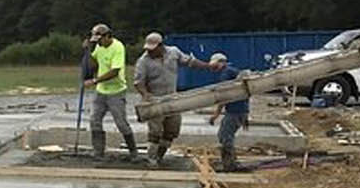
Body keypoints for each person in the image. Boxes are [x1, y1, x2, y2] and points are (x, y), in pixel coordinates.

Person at [132, 32, 225, 166]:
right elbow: (138, 83)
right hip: (155, 100)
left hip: (172, 98)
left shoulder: (173, 52)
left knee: (172, 130)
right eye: (148, 49)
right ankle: (151, 159)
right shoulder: (143, 61)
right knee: (155, 131)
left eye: (152, 49)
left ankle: (160, 156)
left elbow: (190, 62)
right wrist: (146, 95)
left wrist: (208, 66)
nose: (150, 52)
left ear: (160, 45)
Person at [80, 23, 138, 163]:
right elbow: (94, 65)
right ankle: (98, 153)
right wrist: (88, 51)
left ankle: (133, 152)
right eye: (96, 41)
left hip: (116, 91)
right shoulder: (99, 47)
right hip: (101, 92)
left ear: (108, 36)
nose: (98, 43)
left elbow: (114, 71)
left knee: (121, 123)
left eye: (100, 40)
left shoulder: (118, 47)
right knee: (94, 120)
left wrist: (94, 81)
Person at [207, 55, 250, 171]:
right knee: (227, 136)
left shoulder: (226, 74)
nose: (213, 68)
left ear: (221, 62)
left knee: (224, 136)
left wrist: (216, 114)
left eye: (215, 65)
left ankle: (229, 165)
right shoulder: (235, 71)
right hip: (240, 110)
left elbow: (224, 96)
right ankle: (231, 162)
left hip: (234, 111)